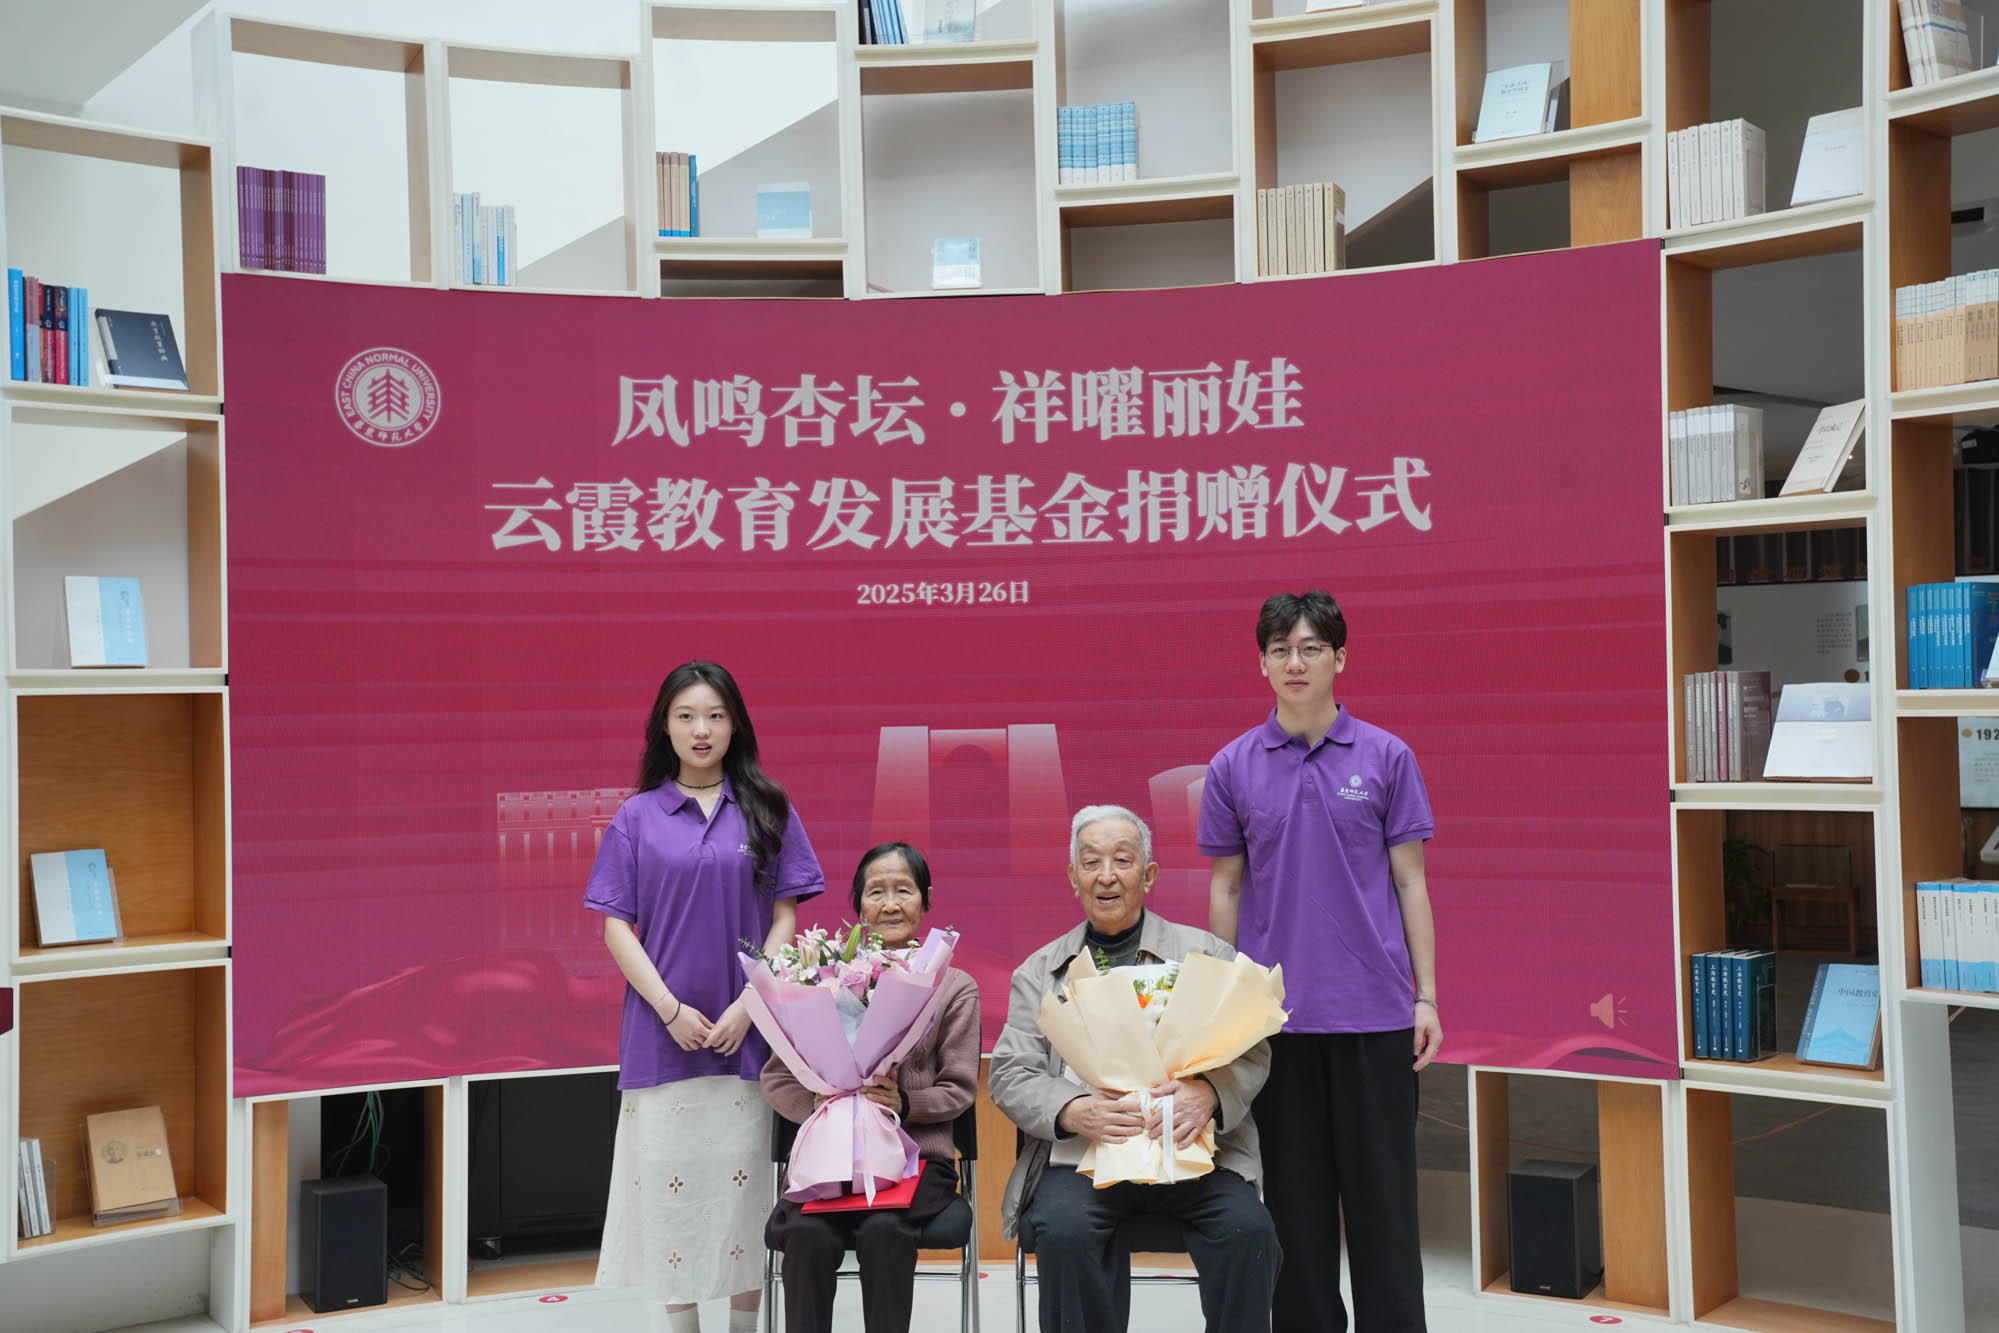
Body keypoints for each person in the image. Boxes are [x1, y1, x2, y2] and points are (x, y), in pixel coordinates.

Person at [1200, 590, 1440, 1333]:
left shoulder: (1387, 756)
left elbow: (1410, 882)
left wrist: (1426, 996)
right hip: (1276, 1023)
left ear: (1340, 658)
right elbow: (1226, 888)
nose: (1294, 663)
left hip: (1375, 1015)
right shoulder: (1233, 766)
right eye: (1280, 650)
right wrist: (1224, 1008)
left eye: (1310, 648)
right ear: (1262, 664)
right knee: (1294, 1212)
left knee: (1385, 1208)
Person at [587, 661, 826, 1333]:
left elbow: (785, 916)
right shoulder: (636, 816)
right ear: (664, 726)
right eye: (687, 715)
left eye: (715, 716)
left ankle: (744, 1326)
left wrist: (751, 1004)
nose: (701, 729)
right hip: (662, 1039)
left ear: (735, 725)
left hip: (746, 1035)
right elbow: (615, 926)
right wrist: (668, 1009)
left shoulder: (767, 807)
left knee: (743, 1198)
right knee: (672, 1199)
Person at [991, 805, 1279, 1333]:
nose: (1107, 876)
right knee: (1065, 1232)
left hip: (1192, 1153)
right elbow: (1011, 1072)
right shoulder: (1040, 972)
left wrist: (1210, 1093)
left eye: (1123, 861)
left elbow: (1253, 1048)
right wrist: (1073, 1110)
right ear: (1073, 877)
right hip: (1085, 1158)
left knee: (1248, 1232)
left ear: (1148, 876)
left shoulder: (1204, 953)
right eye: (1091, 862)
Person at [761, 842, 980, 1333]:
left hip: (916, 1162)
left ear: (926, 899)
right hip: (827, 1160)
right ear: (858, 904)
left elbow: (961, 1087)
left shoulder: (953, 986)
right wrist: (813, 1101)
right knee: (807, 1234)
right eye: (876, 892)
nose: (890, 903)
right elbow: (775, 1076)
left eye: (904, 890)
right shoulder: (819, 977)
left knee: (885, 1230)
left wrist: (906, 1102)